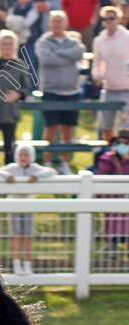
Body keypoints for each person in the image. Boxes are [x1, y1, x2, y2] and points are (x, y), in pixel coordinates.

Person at [0, 142, 55, 275]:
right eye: (21, 154)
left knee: (27, 235)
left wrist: (36, 176)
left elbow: (51, 171)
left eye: (26, 154)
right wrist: (7, 177)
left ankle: (27, 264)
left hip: (29, 206)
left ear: (31, 156)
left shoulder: (34, 168)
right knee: (16, 235)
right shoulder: (12, 168)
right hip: (14, 206)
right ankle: (16, 263)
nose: (23, 157)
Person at [36, 10, 84, 175]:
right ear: (49, 24)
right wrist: (68, 58)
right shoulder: (43, 41)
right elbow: (47, 59)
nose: (57, 24)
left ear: (66, 23)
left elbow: (80, 52)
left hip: (71, 91)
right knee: (50, 129)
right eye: (54, 21)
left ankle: (65, 163)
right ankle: (47, 163)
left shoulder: (73, 40)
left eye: (60, 21)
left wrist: (60, 54)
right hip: (51, 91)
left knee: (68, 130)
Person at [0, 30, 31, 165]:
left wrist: (18, 94)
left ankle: (9, 174)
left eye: (10, 44)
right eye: (4, 44)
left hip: (10, 112)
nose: (7, 46)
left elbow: (27, 87)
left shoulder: (19, 64)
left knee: (9, 147)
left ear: (15, 46)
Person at [92, 6, 129, 143]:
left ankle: (125, 157)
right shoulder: (99, 40)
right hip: (109, 88)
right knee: (106, 125)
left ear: (118, 19)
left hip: (126, 88)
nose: (108, 21)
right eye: (105, 19)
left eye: (112, 18)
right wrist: (96, 76)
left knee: (126, 126)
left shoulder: (127, 37)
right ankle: (108, 155)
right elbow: (97, 63)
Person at [94, 130, 129, 260]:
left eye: (126, 143)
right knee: (114, 218)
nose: (122, 145)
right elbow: (102, 179)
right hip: (112, 197)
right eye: (119, 142)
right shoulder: (107, 159)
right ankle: (113, 252)